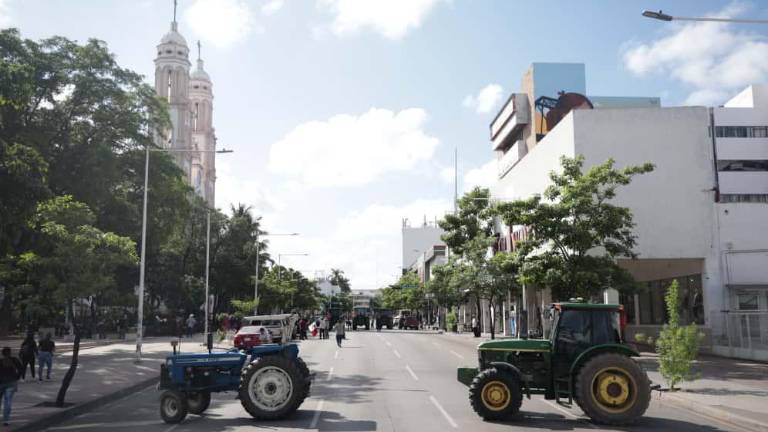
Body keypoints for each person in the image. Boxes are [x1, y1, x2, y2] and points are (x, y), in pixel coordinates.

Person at [0, 347, 22, 426]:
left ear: (2, 353)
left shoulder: (0, 361)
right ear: (10, 353)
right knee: (8, 401)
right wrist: (17, 377)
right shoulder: (14, 360)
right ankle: (6, 420)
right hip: (11, 382)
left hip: (1, 382)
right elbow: (21, 369)